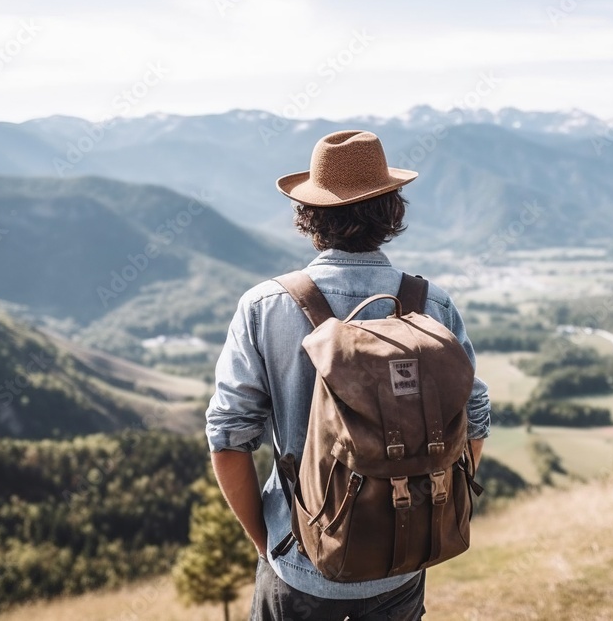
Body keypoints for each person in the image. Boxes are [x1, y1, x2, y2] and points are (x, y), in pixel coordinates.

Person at [206, 129, 490, 620]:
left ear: (308, 215)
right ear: (391, 211)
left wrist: (270, 543)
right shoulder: (432, 304)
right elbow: (476, 419)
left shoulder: (265, 306)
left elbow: (229, 439)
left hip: (298, 570)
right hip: (401, 565)